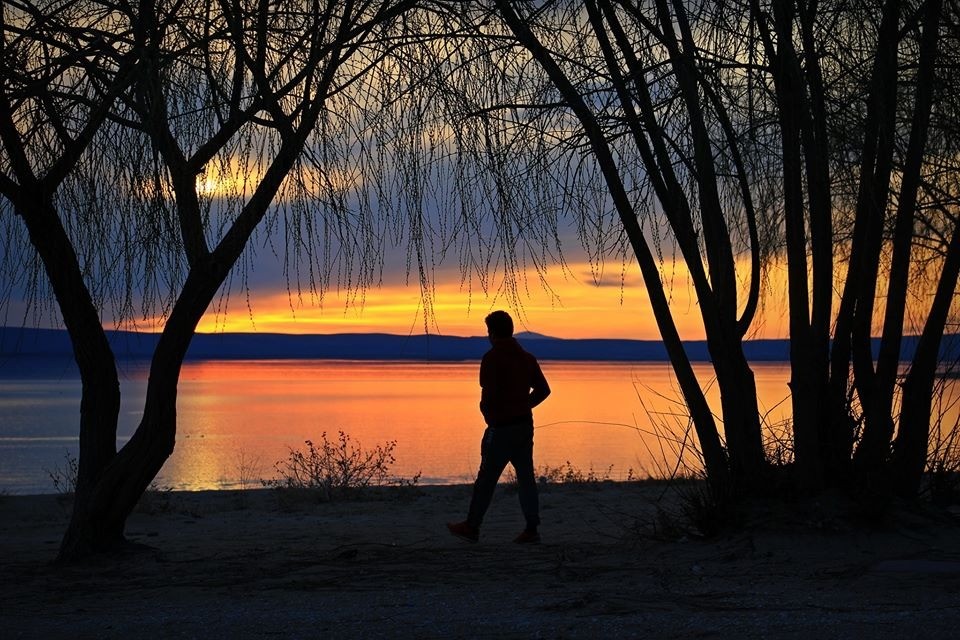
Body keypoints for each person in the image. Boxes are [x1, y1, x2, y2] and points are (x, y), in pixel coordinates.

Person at [447, 310, 551, 544]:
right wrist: (524, 406)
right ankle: (532, 529)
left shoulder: (492, 358)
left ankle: (472, 526)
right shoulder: (527, 358)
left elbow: (489, 394)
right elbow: (544, 390)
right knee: (526, 478)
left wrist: (491, 415)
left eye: (488, 332)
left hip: (501, 428)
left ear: (492, 333)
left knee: (486, 479)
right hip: (523, 426)